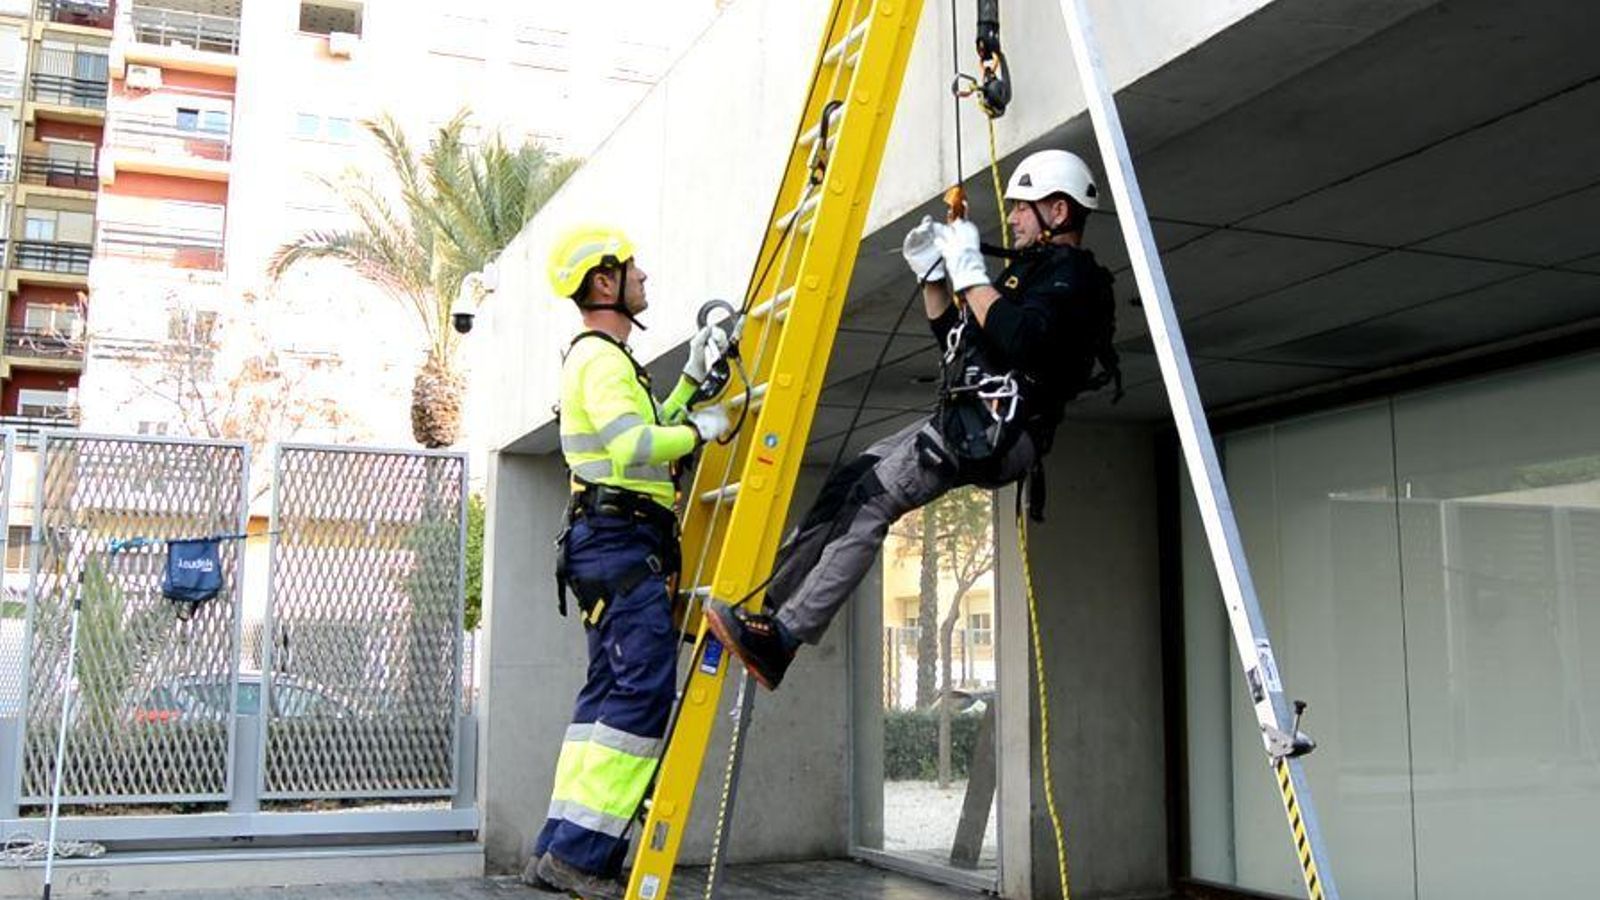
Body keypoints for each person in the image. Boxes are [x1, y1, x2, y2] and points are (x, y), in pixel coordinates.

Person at [704, 149, 1120, 690]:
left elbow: (1025, 340)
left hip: (1002, 428)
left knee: (874, 498)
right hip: (973, 415)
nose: (1013, 218)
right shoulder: (1028, 275)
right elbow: (957, 338)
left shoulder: (1076, 280)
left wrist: (972, 275)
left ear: (1058, 212)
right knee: (852, 477)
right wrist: (934, 279)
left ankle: (780, 641)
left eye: (1023, 207)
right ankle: (774, 603)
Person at [525, 224, 731, 898]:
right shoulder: (602, 360)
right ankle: (583, 858)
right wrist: (698, 430)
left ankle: (560, 846)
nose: (644, 278)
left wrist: (692, 385)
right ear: (605, 283)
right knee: (641, 690)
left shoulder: (604, 361)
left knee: (604, 699)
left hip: (608, 543)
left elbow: (645, 427)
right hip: (619, 544)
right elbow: (633, 447)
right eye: (633, 270)